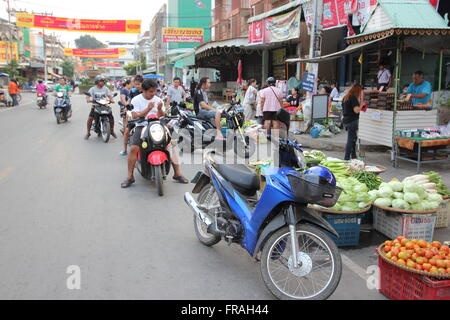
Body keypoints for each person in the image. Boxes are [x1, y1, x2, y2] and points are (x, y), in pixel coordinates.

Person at [120, 79, 188, 188]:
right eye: (151, 91)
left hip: (157, 126)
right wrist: (147, 109)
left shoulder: (158, 99)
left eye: (155, 91)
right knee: (134, 148)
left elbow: (162, 115)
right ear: (144, 90)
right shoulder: (136, 100)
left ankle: (177, 173)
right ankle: (129, 177)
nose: (153, 94)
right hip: (141, 126)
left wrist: (160, 109)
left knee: (170, 145)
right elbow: (133, 115)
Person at [85, 76, 117, 140]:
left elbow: (109, 96)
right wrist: (88, 99)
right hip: (95, 105)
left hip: (105, 105)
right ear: (97, 82)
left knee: (111, 117)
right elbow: (88, 96)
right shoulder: (93, 89)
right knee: (90, 118)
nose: (102, 82)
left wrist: (112, 100)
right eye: (101, 81)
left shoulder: (106, 89)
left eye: (103, 81)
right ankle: (88, 132)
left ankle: (112, 131)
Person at [342, 84, 363, 161]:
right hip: (352, 121)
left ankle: (353, 156)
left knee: (354, 138)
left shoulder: (345, 97)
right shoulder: (353, 98)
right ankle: (346, 159)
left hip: (346, 120)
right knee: (351, 139)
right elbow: (356, 110)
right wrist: (362, 105)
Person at [119, 80, 133, 156]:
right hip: (126, 107)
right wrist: (126, 106)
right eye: (131, 84)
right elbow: (123, 99)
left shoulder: (131, 90)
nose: (132, 85)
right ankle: (125, 149)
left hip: (132, 108)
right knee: (126, 122)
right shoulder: (123, 90)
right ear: (127, 84)